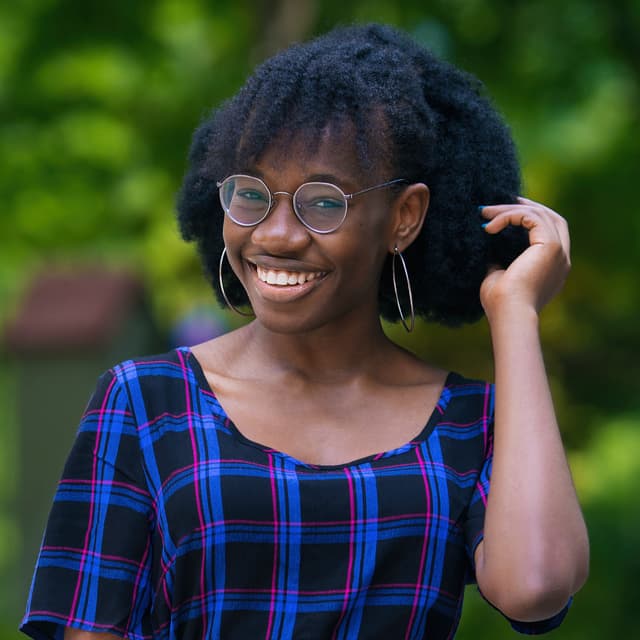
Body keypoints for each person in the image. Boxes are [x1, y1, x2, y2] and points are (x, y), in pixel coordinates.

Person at [21, 23, 588, 640]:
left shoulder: (470, 423)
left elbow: (535, 587)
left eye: (323, 202)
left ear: (404, 217)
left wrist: (514, 312)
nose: (276, 235)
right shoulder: (144, 402)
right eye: (251, 194)